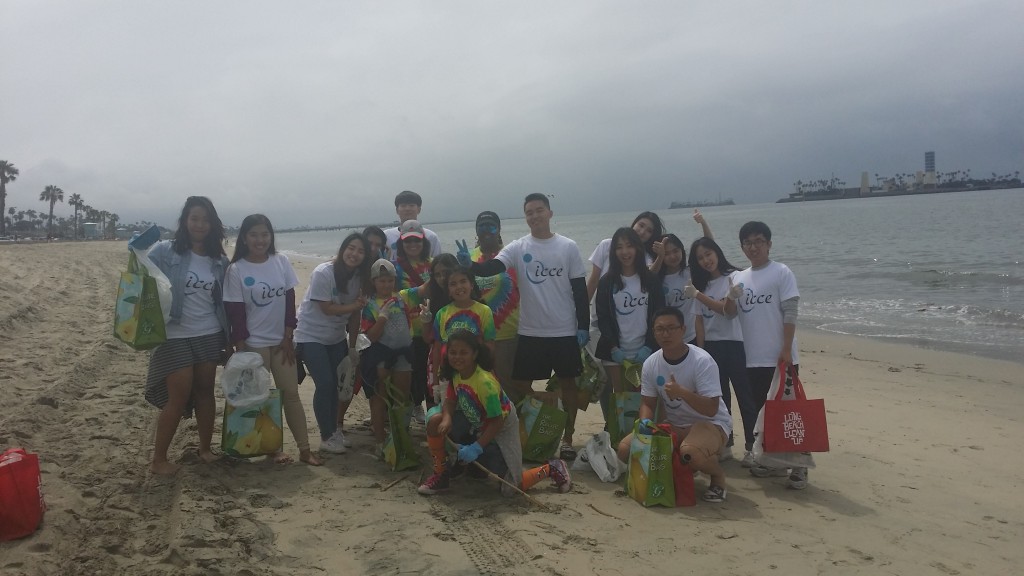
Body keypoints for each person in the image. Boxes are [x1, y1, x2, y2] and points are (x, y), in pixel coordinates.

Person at [460, 193, 589, 460]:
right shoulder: (519, 247)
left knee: (569, 385)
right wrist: (469, 265)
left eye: (539, 210)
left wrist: (583, 326)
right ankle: (546, 409)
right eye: (529, 212)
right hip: (531, 331)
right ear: (525, 217)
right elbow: (492, 268)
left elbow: (579, 291)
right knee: (518, 382)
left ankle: (567, 438)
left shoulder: (568, 247)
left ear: (550, 213)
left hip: (564, 330)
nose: (534, 216)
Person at [417, 330, 572, 496]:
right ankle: (441, 474)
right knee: (435, 419)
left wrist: (476, 448)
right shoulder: (456, 372)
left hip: (499, 428)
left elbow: (497, 421)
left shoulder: (485, 383)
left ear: (475, 353)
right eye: (453, 352)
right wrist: (447, 418)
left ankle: (553, 467)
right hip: (475, 421)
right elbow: (451, 399)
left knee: (512, 487)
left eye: (464, 352)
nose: (457, 357)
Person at [224, 214, 322, 465]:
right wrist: (242, 349)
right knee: (258, 397)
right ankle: (270, 447)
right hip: (254, 343)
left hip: (281, 343)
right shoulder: (236, 269)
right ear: (244, 238)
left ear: (271, 236)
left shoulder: (281, 261)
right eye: (254, 234)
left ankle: (304, 449)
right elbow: (235, 313)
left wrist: (288, 336)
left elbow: (290, 302)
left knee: (290, 394)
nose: (260, 240)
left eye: (265, 234)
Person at [143, 196, 229, 475]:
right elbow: (142, 272)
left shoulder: (219, 260)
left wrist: (229, 339)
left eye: (205, 219)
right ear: (185, 221)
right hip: (174, 333)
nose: (200, 224)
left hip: (209, 332)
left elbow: (224, 302)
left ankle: (205, 449)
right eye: (194, 218)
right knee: (177, 397)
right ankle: (159, 459)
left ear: (212, 223)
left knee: (205, 393)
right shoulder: (165, 251)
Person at [615, 307, 732, 503]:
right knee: (625, 449)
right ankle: (684, 464)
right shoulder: (652, 363)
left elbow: (712, 409)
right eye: (659, 329)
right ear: (653, 332)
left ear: (683, 329)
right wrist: (645, 424)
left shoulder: (702, 361)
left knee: (691, 453)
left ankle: (717, 476)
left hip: (711, 425)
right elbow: (648, 403)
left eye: (671, 328)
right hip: (674, 425)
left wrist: (683, 393)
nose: (665, 334)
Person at [724, 221, 808, 489]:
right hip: (753, 359)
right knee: (764, 414)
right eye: (748, 243)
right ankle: (773, 464)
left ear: (769, 244)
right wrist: (730, 296)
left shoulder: (781, 272)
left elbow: (791, 311)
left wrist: (786, 348)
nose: (753, 247)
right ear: (742, 247)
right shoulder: (739, 277)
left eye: (759, 241)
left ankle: (800, 467)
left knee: (789, 413)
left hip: (781, 358)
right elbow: (729, 313)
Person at [295, 233, 370, 455]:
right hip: (310, 335)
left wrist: (352, 347)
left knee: (338, 387)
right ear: (342, 249)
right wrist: (354, 306)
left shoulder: (360, 277)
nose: (354, 254)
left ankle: (334, 431)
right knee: (325, 384)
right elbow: (326, 308)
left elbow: (356, 316)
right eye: (351, 248)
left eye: (361, 251)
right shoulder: (323, 273)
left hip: (336, 337)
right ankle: (326, 436)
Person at [687, 237, 756, 465]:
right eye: (700, 258)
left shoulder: (733, 277)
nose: (706, 260)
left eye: (709, 254)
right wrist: (701, 351)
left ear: (717, 252)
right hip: (712, 347)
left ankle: (752, 446)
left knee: (745, 396)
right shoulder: (702, 284)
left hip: (735, 344)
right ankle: (726, 444)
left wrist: (697, 295)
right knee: (721, 400)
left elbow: (727, 311)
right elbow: (699, 322)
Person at [594, 227, 664, 399]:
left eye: (629, 246)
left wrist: (649, 345)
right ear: (613, 251)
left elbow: (659, 314)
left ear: (638, 248)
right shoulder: (606, 282)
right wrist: (613, 347)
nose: (624, 252)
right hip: (616, 353)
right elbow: (602, 318)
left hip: (646, 351)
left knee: (647, 398)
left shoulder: (651, 280)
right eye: (619, 247)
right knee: (621, 399)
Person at [360, 259, 418, 452]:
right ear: (374, 281)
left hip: (403, 355)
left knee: (403, 398)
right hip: (381, 355)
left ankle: (401, 435)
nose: (386, 285)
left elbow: (425, 290)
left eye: (389, 280)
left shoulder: (402, 298)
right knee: (378, 399)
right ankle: (379, 440)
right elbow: (371, 337)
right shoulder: (369, 305)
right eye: (381, 281)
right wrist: (383, 317)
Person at [469, 211, 520, 389]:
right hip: (477, 336)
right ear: (476, 230)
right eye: (481, 226)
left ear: (499, 229)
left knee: (511, 389)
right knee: (482, 388)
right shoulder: (468, 258)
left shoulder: (512, 256)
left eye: (491, 226)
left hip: (509, 336)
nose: (486, 230)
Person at [427, 267, 497, 396]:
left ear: (471, 285)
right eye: (453, 284)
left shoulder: (484, 311)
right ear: (448, 290)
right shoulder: (441, 314)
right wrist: (435, 381)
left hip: (476, 375)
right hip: (448, 376)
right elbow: (437, 349)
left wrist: (488, 372)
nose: (459, 286)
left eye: (463, 281)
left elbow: (490, 345)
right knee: (448, 412)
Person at [392, 219, 432, 423]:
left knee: (429, 372)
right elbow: (390, 296)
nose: (413, 245)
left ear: (424, 241)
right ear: (401, 243)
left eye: (417, 240)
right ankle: (415, 406)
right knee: (411, 372)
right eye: (408, 242)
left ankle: (430, 408)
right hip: (407, 330)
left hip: (430, 327)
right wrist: (417, 292)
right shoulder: (395, 268)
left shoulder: (432, 263)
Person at [656, 234, 699, 345]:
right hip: (669, 337)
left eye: (675, 251)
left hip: (694, 333)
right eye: (666, 253)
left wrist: (703, 223)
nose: (672, 256)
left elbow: (709, 246)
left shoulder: (691, 272)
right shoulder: (658, 280)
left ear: (682, 250)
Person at [383, 190, 442, 258]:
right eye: (403, 205)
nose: (407, 209)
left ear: (419, 209)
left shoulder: (431, 237)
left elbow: (438, 263)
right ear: (397, 210)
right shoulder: (386, 236)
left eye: (411, 205)